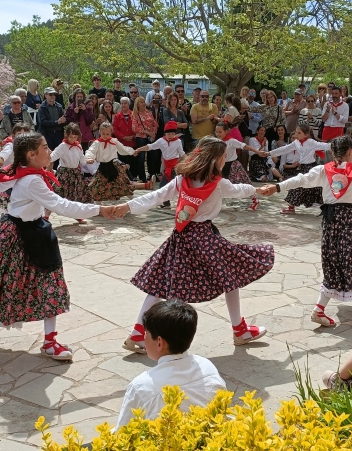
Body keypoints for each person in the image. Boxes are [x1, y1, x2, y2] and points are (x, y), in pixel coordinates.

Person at [0, 132, 113, 356]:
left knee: (51, 284)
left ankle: (50, 341)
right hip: (16, 236)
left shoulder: (28, 173)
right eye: (46, 147)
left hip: (37, 232)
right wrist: (100, 209)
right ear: (31, 154)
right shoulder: (31, 180)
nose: (49, 151)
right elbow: (61, 205)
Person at [115, 136, 273, 352]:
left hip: (181, 237)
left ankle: (136, 334)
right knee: (231, 278)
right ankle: (240, 330)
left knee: (159, 285)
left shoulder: (182, 181)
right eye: (223, 157)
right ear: (215, 160)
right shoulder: (218, 184)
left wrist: (128, 206)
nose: (224, 160)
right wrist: (257, 190)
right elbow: (239, 191)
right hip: (205, 238)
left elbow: (155, 197)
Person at [260, 136, 352, 325]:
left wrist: (277, 187)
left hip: (330, 224)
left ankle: (322, 310)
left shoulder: (322, 170)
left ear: (333, 153)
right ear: (351, 152)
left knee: (336, 261)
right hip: (346, 222)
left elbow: (300, 179)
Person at [115, 299, 226, 427]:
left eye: (146, 333)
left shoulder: (141, 386)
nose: (144, 338)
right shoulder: (206, 366)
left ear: (160, 343)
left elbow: (122, 434)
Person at [265, 123, 330, 214]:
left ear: (306, 135)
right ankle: (292, 207)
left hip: (311, 167)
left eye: (299, 133)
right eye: (296, 132)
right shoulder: (296, 143)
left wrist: (342, 145)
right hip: (303, 167)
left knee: (313, 187)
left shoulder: (311, 142)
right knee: (297, 186)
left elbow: (325, 146)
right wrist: (269, 153)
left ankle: (325, 208)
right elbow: (284, 149)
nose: (296, 135)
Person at [87, 123, 154, 202]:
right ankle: (97, 205)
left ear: (111, 132)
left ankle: (133, 201)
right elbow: (91, 151)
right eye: (103, 134)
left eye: (107, 134)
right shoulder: (97, 143)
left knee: (122, 183)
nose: (105, 136)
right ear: (99, 132)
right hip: (103, 167)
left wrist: (132, 152)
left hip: (114, 166)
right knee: (98, 185)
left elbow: (123, 148)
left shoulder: (114, 141)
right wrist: (89, 158)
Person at [133, 121, 185, 208]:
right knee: (163, 186)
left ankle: (185, 203)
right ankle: (166, 203)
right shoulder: (161, 141)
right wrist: (139, 149)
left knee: (180, 186)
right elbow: (150, 146)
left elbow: (182, 153)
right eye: (168, 134)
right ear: (165, 134)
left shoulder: (178, 141)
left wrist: (188, 160)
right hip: (166, 167)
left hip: (175, 167)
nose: (170, 136)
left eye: (172, 134)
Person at [213, 123, 262, 211]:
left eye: (220, 132)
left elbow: (244, 146)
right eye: (216, 132)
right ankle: (215, 204)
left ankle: (255, 200)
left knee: (244, 183)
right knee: (217, 185)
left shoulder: (231, 141)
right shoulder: (217, 142)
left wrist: (257, 151)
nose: (218, 134)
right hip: (221, 166)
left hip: (233, 166)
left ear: (226, 131)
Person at [36, 87, 67, 153]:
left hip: (58, 134)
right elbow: (43, 123)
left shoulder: (59, 106)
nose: (52, 96)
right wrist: (56, 122)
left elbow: (63, 120)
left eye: (54, 94)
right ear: (45, 95)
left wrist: (64, 120)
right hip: (47, 134)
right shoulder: (42, 108)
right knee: (48, 155)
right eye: (50, 94)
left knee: (59, 154)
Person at [112, 97, 136, 174]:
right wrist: (123, 137)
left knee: (133, 161)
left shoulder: (134, 115)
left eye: (125, 103)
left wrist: (133, 136)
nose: (123, 105)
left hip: (133, 142)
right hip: (122, 143)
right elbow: (115, 129)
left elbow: (137, 126)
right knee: (123, 162)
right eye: (122, 103)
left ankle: (134, 176)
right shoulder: (117, 116)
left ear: (129, 104)